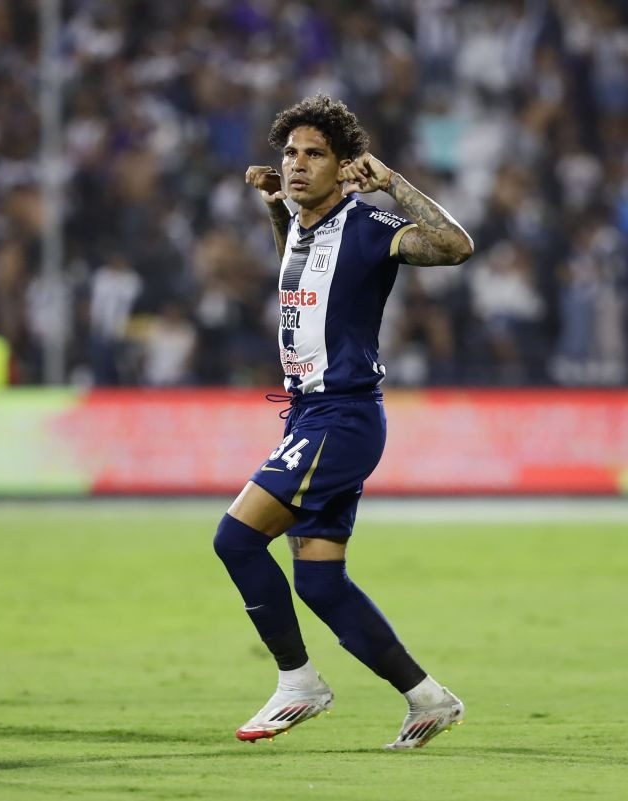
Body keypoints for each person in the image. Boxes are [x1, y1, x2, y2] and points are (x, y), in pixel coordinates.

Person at [212, 94, 474, 750]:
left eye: (314, 154)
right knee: (321, 582)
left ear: (344, 165)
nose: (297, 164)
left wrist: (393, 182)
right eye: (290, 153)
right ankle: (427, 697)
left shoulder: (366, 226)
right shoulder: (301, 223)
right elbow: (299, 271)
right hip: (310, 414)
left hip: (341, 418)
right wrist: (275, 207)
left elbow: (456, 246)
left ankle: (298, 682)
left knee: (236, 539)